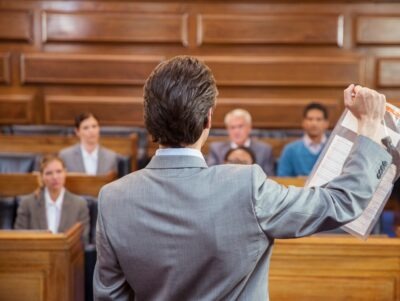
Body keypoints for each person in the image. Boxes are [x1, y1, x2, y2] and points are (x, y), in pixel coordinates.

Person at [93, 56, 391, 300]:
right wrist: (369, 127)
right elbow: (342, 201)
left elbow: (111, 297)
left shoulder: (112, 198)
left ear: (149, 121)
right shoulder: (245, 186)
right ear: (208, 119)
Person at [14, 155, 90, 244]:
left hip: (67, 256)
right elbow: (19, 238)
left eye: (59, 171)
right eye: (49, 173)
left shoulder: (79, 204)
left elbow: (83, 241)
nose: (55, 177)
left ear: (65, 173)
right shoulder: (27, 203)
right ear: (42, 176)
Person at [207, 109, 275, 175]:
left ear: (249, 127)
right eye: (232, 127)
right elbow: (211, 175)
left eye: (240, 126)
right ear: (227, 129)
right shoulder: (216, 149)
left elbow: (269, 177)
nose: (236, 131)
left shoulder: (264, 150)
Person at [277, 102, 329, 177]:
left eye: (319, 119)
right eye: (310, 119)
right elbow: (282, 178)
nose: (314, 123)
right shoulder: (290, 150)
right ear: (303, 122)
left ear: (326, 123)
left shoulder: (334, 149)